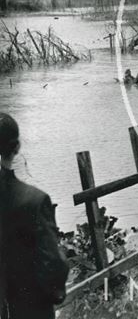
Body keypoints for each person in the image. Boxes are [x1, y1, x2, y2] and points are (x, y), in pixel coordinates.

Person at [0, 113, 69, 319]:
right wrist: (54, 294)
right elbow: (52, 264)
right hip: (28, 309)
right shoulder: (34, 201)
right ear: (17, 147)